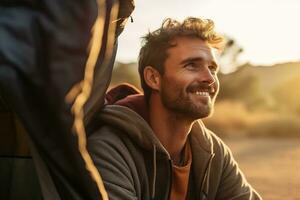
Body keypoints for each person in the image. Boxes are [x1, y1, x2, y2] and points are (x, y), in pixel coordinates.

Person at [87, 17, 262, 200]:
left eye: (212, 68)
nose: (209, 78)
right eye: (191, 65)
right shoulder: (109, 150)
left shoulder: (212, 151)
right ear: (154, 78)